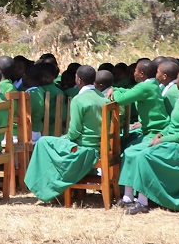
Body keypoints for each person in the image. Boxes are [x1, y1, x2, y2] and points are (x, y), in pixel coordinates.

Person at [119, 66, 179, 213]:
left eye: (178, 78)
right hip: (171, 141)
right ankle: (128, 197)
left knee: (144, 156)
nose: (176, 80)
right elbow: (173, 124)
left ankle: (143, 201)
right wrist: (161, 134)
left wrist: (164, 139)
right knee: (130, 152)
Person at [23, 66, 112, 202]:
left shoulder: (79, 99)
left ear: (78, 80)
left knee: (43, 142)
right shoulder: (103, 98)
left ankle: (47, 188)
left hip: (83, 147)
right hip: (100, 147)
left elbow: (74, 132)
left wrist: (65, 138)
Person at [110, 59, 170, 147]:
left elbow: (120, 100)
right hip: (155, 127)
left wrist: (114, 92)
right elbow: (131, 91)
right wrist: (116, 89)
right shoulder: (153, 83)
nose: (133, 74)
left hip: (154, 130)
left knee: (128, 151)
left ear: (141, 74)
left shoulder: (144, 87)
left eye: (135, 71)